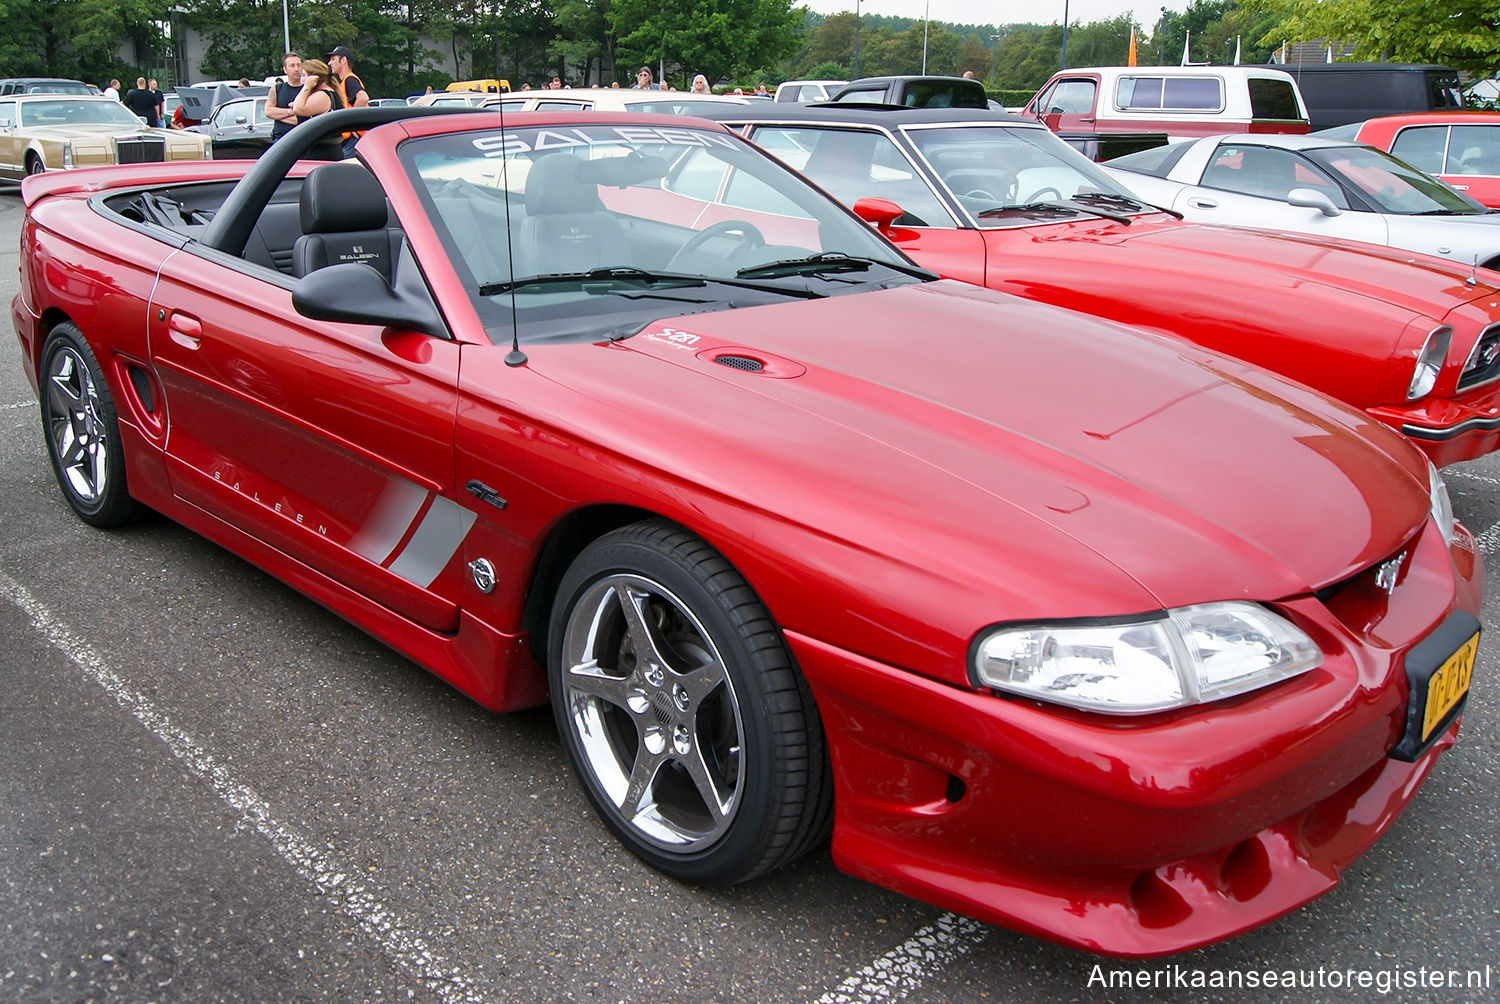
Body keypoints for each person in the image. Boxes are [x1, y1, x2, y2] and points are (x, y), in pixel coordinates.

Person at [290, 58, 347, 160]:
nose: (302, 80)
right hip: (321, 151)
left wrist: (307, 86)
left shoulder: (323, 95)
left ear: (314, 77)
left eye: (304, 75)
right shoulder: (327, 93)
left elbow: (298, 109)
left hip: (321, 153)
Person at [326, 45, 368, 158]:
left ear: (343, 60)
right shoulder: (344, 82)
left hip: (354, 139)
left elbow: (363, 98)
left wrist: (351, 122)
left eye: (333, 59)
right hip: (352, 139)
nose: (329, 63)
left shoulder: (350, 79)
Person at [265, 52, 304, 145]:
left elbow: (298, 121)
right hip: (280, 140)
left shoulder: (307, 89)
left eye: (299, 65)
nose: (296, 69)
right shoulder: (277, 89)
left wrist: (277, 115)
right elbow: (268, 112)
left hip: (302, 140)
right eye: (292, 66)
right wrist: (291, 112)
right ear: (285, 69)